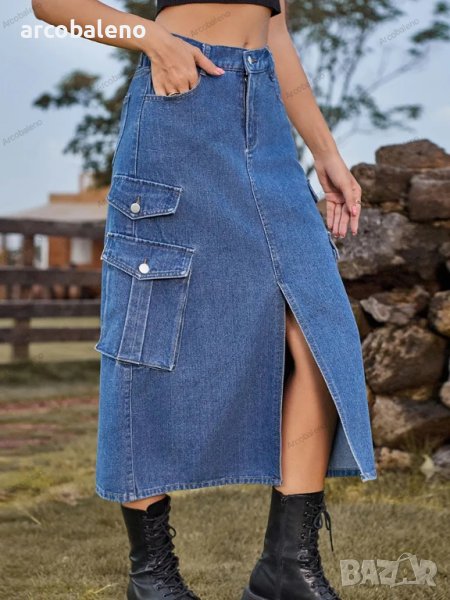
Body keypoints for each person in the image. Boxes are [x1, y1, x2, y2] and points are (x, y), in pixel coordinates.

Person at [33, 1, 378, 598]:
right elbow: (50, 4)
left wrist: (325, 152)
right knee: (150, 333)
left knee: (320, 332)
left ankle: (286, 569)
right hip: (178, 111)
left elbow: (276, 34)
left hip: (266, 125)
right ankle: (154, 577)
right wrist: (150, 39)